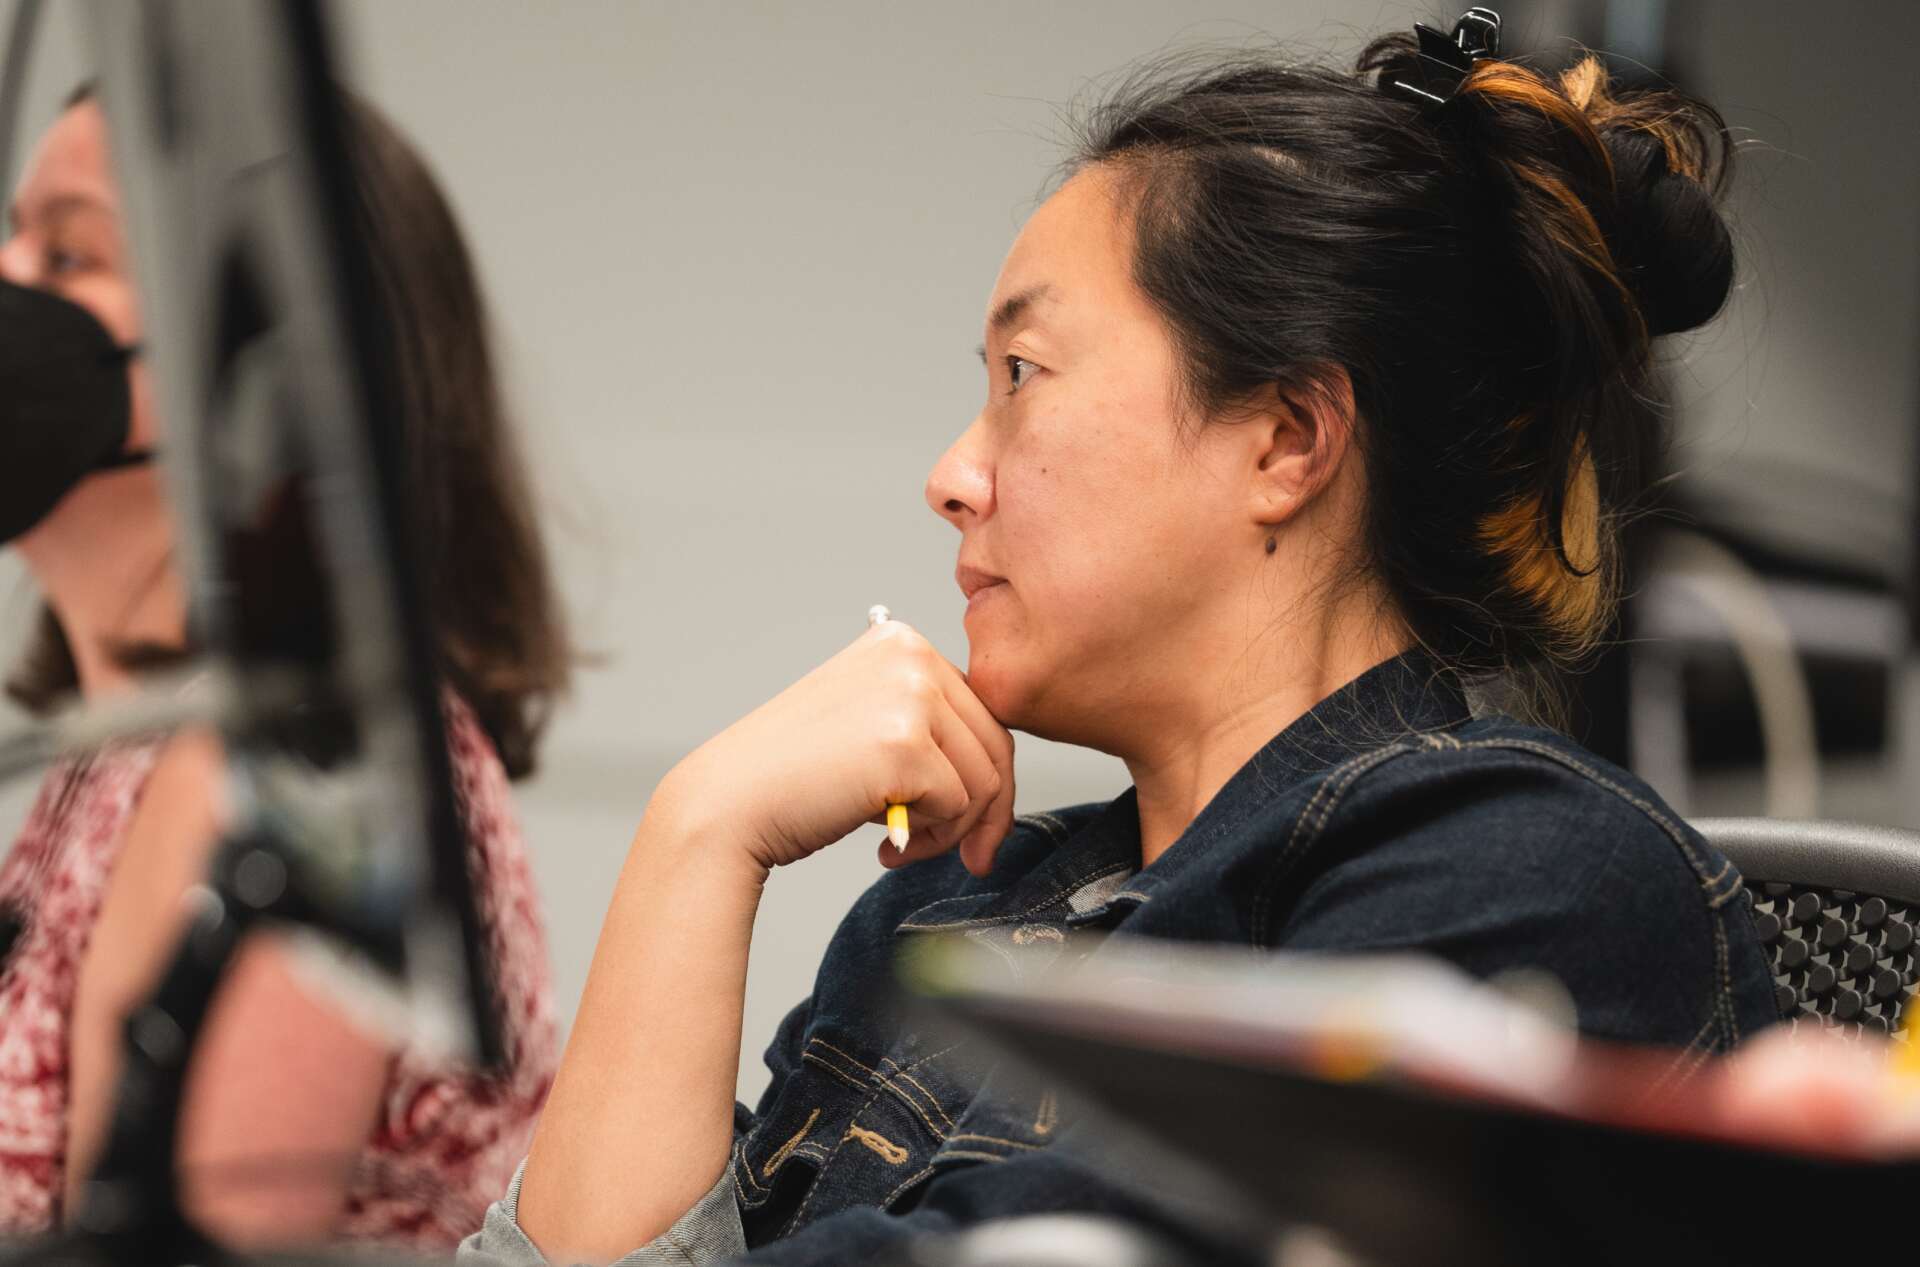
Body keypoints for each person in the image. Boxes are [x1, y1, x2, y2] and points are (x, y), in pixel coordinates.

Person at [469, 21, 1780, 1266]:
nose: (951, 473)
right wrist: (694, 838)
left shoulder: (1532, 878)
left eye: (1023, 376)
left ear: (1284, 439)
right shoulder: (953, 906)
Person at [0, 87, 568, 1250]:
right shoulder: (125, 753)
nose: (8, 282)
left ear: (266, 369)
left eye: (67, 250)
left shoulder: (292, 761)